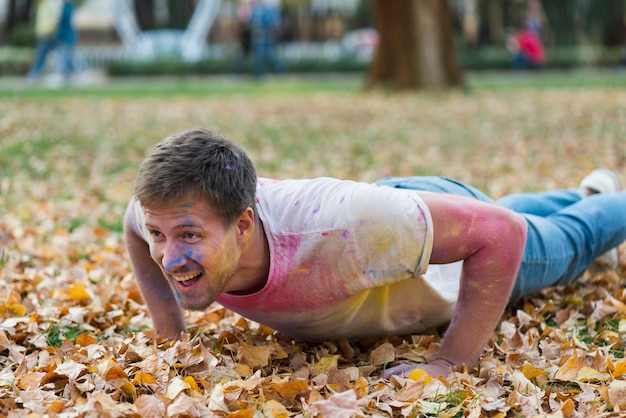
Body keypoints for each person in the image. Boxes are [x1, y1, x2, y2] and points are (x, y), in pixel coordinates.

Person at [123, 128, 626, 379]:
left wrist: (449, 362)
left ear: (244, 225)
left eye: (188, 237)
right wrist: (169, 330)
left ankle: (605, 206)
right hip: (395, 219)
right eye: (159, 236)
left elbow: (502, 233)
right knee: (496, 211)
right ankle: (585, 195)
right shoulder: (166, 212)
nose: (168, 258)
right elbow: (135, 229)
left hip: (420, 248)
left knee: (568, 245)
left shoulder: (335, 224)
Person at [27, 0, 63, 83]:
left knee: (42, 55)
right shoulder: (42, 5)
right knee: (44, 55)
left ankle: (34, 74)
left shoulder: (50, 4)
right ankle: (35, 74)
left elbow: (54, 19)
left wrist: (50, 30)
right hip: (43, 34)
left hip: (47, 34)